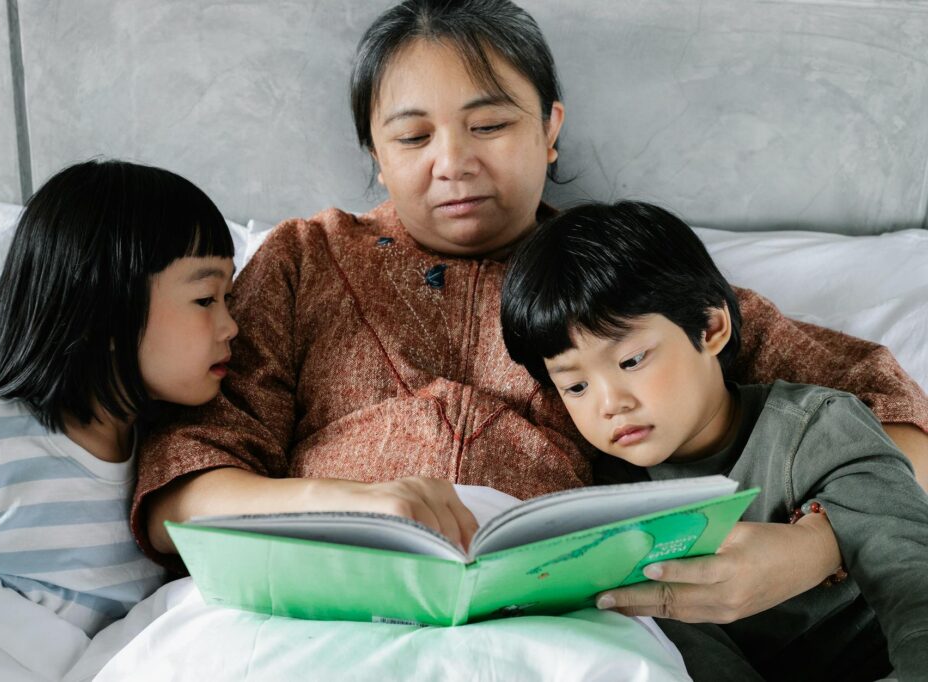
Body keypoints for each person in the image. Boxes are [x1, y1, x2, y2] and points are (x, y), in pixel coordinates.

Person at [135, 0, 928, 642]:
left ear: (550, 129)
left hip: (562, 626)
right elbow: (179, 498)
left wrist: (815, 546)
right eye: (412, 137)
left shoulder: (615, 270)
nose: (454, 163)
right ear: (375, 152)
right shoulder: (305, 258)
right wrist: (348, 500)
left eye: (489, 126)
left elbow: (894, 423)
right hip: (317, 605)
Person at [500, 200, 928, 680]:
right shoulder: (613, 503)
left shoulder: (819, 427)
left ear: (710, 328)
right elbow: (691, 653)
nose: (608, 403)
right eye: (576, 386)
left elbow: (910, 580)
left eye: (632, 361)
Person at [0, 159, 239, 637]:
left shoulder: (172, 464)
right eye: (207, 299)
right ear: (103, 313)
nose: (231, 326)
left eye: (230, 298)